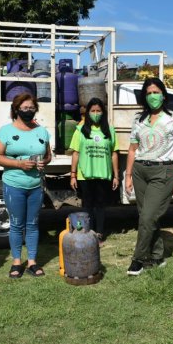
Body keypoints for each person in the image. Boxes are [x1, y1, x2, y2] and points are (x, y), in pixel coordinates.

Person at [125, 78, 173, 276]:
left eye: (156, 92)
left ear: (163, 94)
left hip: (163, 171)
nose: (153, 96)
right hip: (140, 171)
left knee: (148, 217)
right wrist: (127, 175)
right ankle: (157, 255)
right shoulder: (138, 119)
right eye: (149, 92)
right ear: (144, 96)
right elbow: (133, 149)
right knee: (147, 217)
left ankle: (138, 259)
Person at [0, 93, 51, 278]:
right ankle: (17, 262)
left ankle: (32, 262)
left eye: (31, 108)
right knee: (17, 224)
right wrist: (19, 164)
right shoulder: (6, 131)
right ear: (16, 109)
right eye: (24, 108)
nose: (28, 111)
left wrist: (44, 162)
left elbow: (48, 155)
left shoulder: (42, 131)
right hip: (14, 184)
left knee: (33, 224)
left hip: (35, 185)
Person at [69, 97, 120, 245]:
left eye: (99, 111)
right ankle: (88, 232)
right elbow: (76, 153)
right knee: (87, 205)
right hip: (85, 175)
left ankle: (99, 233)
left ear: (103, 113)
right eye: (93, 111)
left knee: (100, 205)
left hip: (103, 174)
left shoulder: (109, 130)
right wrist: (73, 175)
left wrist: (116, 176)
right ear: (87, 112)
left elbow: (114, 153)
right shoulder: (81, 130)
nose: (96, 113)